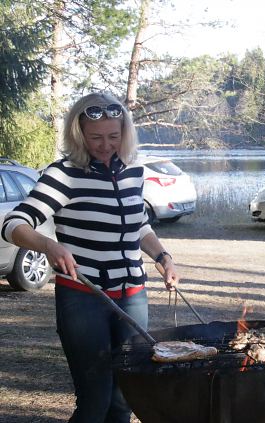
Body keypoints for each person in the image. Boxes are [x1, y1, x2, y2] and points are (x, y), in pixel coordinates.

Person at [1, 92, 179, 423]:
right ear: (78, 133)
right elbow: (14, 224)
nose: (105, 144)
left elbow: (138, 225)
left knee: (125, 398)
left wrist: (163, 256)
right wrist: (50, 246)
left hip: (133, 297)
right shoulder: (64, 174)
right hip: (84, 299)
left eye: (114, 136)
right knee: (95, 400)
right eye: (95, 137)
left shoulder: (133, 172)